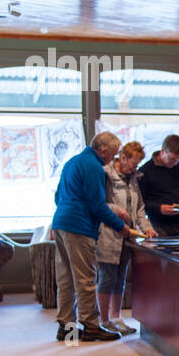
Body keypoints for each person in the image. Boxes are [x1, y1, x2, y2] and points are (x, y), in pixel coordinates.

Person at [52, 132, 128, 342]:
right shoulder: (94, 167)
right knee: (85, 279)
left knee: (66, 278)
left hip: (60, 223)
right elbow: (98, 206)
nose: (113, 158)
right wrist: (120, 227)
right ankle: (90, 326)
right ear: (103, 151)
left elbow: (58, 196)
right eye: (113, 154)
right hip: (78, 227)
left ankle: (66, 329)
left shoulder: (73, 162)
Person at [96, 141, 156, 335]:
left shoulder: (133, 179)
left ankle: (116, 317)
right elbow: (99, 203)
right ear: (123, 157)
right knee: (107, 277)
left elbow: (138, 209)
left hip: (127, 236)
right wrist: (116, 210)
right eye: (133, 163)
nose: (135, 167)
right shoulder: (105, 174)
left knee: (120, 278)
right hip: (108, 233)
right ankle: (104, 321)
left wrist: (147, 228)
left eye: (138, 164)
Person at [138, 134, 179, 237]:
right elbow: (140, 203)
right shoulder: (145, 171)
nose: (175, 163)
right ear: (162, 152)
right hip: (157, 225)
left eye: (178, 159)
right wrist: (159, 208)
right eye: (171, 159)